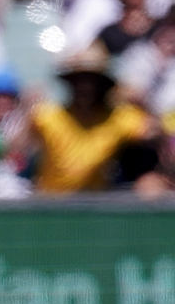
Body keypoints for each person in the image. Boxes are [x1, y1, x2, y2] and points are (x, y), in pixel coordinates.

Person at [22, 41, 158, 192]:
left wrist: (141, 102)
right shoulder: (48, 115)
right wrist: (24, 111)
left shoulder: (117, 118)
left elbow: (155, 132)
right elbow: (17, 150)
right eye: (79, 80)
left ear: (102, 85)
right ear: (71, 83)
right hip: (50, 202)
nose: (85, 88)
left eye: (91, 81)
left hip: (93, 205)